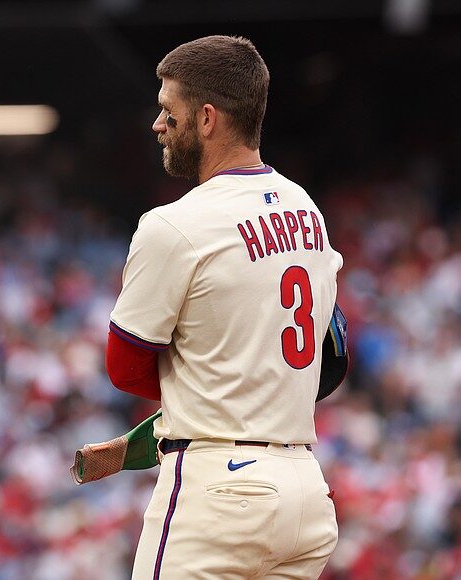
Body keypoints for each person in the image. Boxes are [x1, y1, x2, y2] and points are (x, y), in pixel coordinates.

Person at [105, 36, 342, 579]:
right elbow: (331, 353)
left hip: (218, 489)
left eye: (169, 111)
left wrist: (213, 385)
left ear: (207, 118)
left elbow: (125, 367)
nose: (158, 125)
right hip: (306, 487)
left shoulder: (174, 223)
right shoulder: (307, 208)